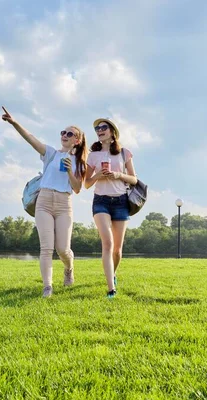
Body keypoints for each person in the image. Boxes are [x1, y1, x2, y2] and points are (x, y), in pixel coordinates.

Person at [1, 106, 87, 298]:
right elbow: (31, 138)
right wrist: (15, 123)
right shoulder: (51, 153)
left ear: (77, 140)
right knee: (46, 247)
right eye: (63, 132)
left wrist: (71, 172)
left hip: (64, 204)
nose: (64, 135)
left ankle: (69, 269)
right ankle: (47, 287)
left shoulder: (80, 162)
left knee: (63, 248)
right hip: (44, 201)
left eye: (69, 133)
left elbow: (78, 188)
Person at [84, 118, 137, 298]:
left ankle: (112, 274)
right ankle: (110, 289)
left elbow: (134, 179)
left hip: (121, 201)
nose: (99, 130)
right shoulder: (93, 155)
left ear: (113, 132)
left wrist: (117, 174)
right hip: (101, 202)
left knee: (117, 250)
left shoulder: (124, 153)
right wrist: (98, 175)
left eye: (103, 127)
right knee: (107, 243)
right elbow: (86, 183)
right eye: (97, 128)